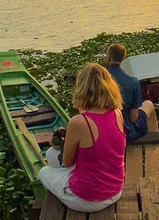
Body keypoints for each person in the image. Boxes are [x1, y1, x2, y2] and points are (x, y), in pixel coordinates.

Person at [39, 63, 126, 213]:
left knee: (44, 172)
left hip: (87, 200)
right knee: (52, 156)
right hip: (115, 191)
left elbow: (67, 162)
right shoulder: (118, 113)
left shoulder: (79, 122)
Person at [106, 43, 156, 143]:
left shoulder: (100, 80)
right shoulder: (133, 81)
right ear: (123, 59)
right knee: (149, 104)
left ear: (109, 58)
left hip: (104, 130)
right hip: (125, 132)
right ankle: (154, 137)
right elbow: (133, 118)